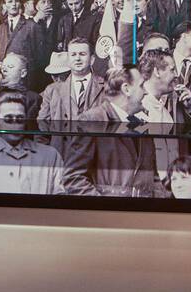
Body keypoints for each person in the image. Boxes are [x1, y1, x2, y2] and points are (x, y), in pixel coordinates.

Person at [63, 66, 159, 197]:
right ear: (126, 89)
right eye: (142, 86)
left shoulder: (142, 127)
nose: (146, 92)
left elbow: (153, 180)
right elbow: (73, 178)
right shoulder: (92, 121)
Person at [0, 93, 65, 195]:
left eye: (20, 119)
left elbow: (60, 203)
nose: (15, 124)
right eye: (8, 119)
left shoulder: (50, 156)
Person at [38, 38, 105, 158]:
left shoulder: (106, 87)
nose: (78, 58)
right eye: (73, 55)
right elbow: (42, 128)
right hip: (61, 156)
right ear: (68, 60)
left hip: (96, 157)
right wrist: (46, 158)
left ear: (92, 59)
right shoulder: (52, 90)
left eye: (82, 54)